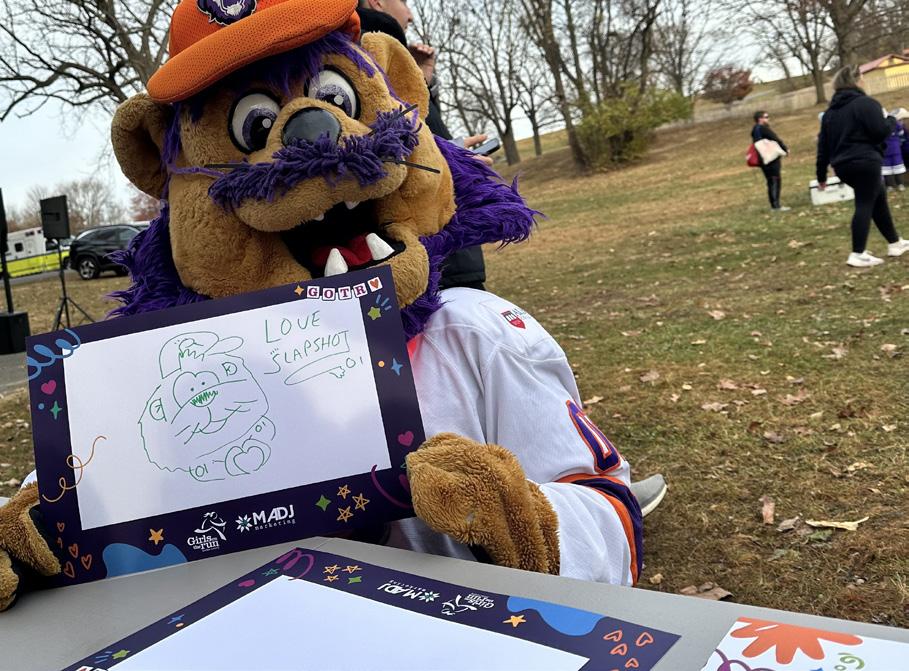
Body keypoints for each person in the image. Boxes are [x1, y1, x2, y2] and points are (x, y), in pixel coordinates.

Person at [357, 0, 487, 290]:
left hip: (442, 255)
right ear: (377, 1)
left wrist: (422, 83)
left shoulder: (381, 58)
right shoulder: (358, 54)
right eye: (404, 2)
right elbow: (374, 155)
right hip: (427, 263)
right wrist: (453, 160)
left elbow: (417, 135)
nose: (411, 15)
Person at [816, 65, 909, 267]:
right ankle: (857, 253)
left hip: (843, 166)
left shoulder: (830, 113)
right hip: (865, 161)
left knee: (878, 198)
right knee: (865, 203)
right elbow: (880, 132)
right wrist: (893, 118)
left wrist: (821, 175)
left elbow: (823, 146)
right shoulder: (866, 103)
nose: (864, 80)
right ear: (856, 80)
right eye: (863, 77)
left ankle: (895, 243)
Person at [751, 110, 790, 212]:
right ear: (760, 119)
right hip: (771, 158)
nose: (768, 119)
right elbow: (775, 139)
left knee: (770, 181)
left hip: (762, 159)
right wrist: (785, 149)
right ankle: (776, 205)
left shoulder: (755, 130)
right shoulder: (763, 129)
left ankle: (774, 204)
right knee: (775, 180)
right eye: (766, 117)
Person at [882, 108, 906, 191]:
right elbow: (901, 132)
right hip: (895, 148)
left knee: (886, 169)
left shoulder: (877, 123)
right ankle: (900, 185)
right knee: (898, 167)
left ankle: (889, 186)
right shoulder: (894, 121)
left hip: (884, 149)